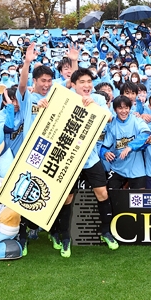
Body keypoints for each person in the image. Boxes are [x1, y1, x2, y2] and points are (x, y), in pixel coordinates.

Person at [51, 68, 120, 257]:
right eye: (82, 81)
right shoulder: (65, 97)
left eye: (89, 81)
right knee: (66, 198)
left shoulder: (97, 98)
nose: (87, 85)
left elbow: (109, 116)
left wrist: (94, 108)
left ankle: (106, 231)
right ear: (73, 84)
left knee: (102, 193)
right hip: (69, 158)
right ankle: (65, 237)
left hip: (90, 157)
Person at [100, 95, 150, 190]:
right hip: (117, 168)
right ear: (115, 110)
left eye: (126, 108)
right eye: (120, 108)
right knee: (111, 196)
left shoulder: (136, 120)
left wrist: (130, 147)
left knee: (139, 200)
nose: (124, 111)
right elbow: (104, 147)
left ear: (130, 108)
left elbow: (146, 133)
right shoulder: (112, 125)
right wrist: (105, 153)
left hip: (137, 169)